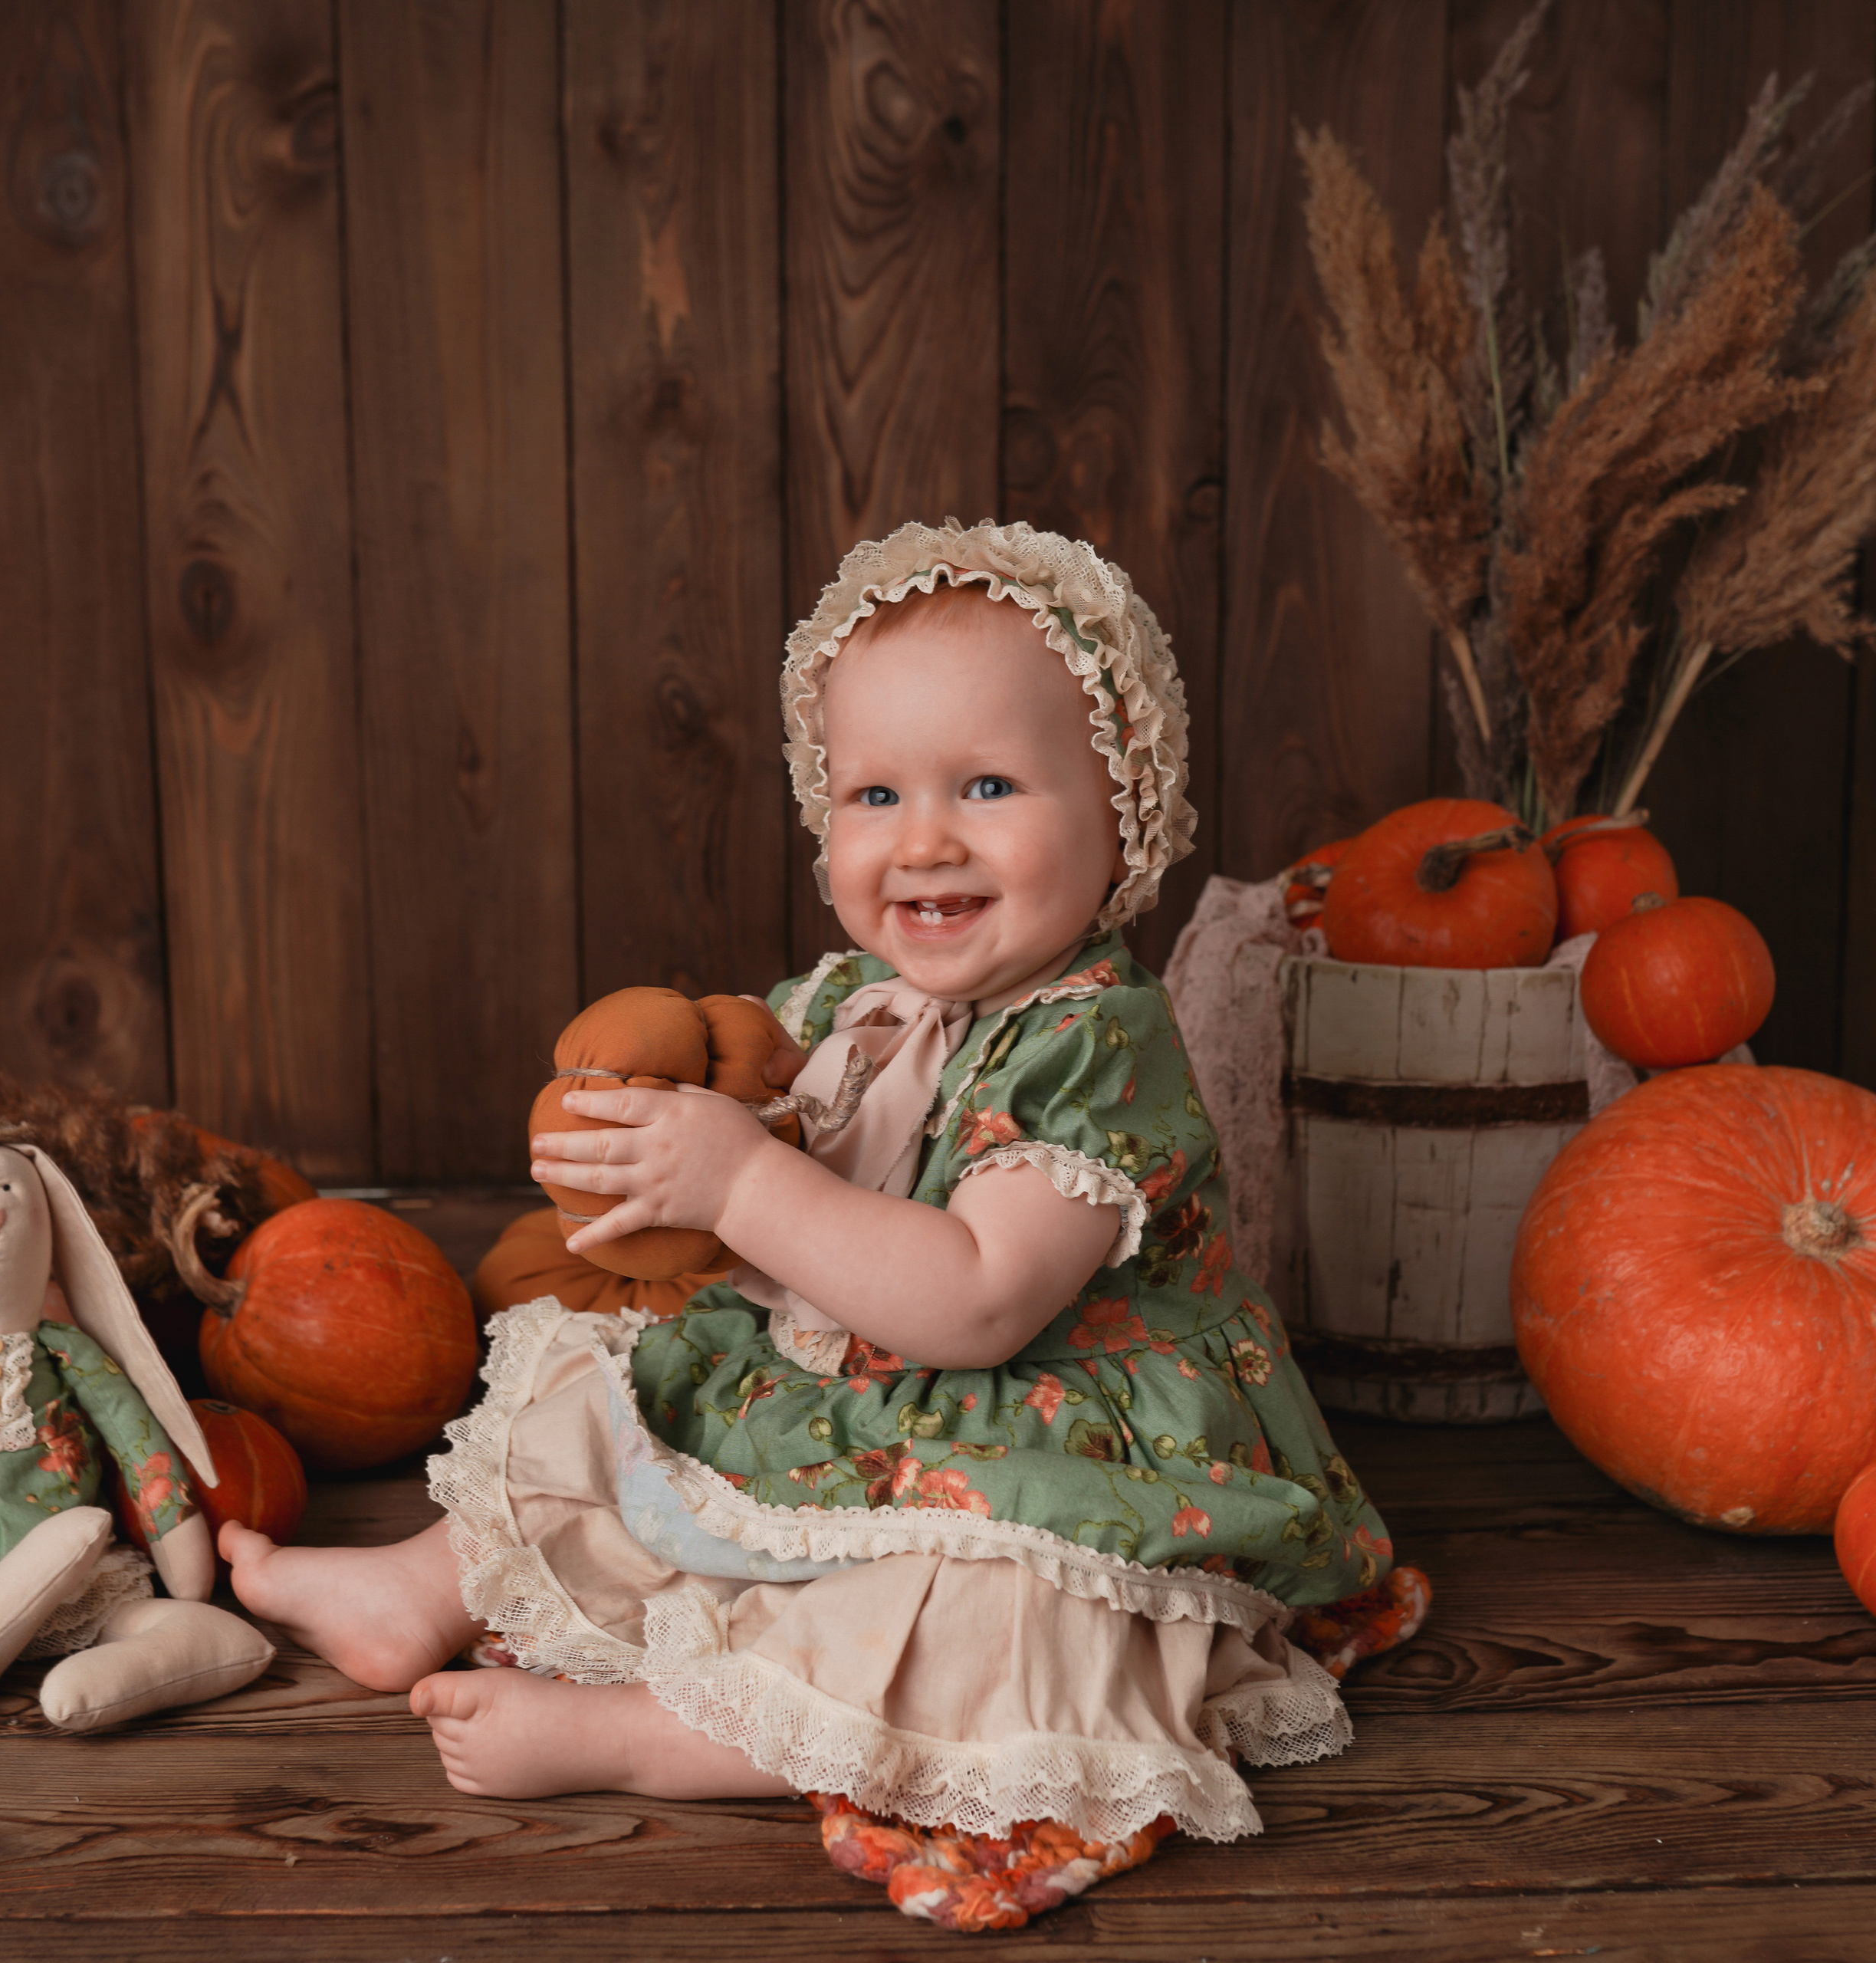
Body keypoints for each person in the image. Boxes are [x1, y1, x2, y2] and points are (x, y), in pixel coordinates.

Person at [225, 518, 1415, 1868]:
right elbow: (761, 1182)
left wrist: (738, 1176)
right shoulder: (844, 1003)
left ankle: (653, 1738)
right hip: (849, 1394)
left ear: (1121, 813)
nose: (923, 844)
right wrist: (641, 1165)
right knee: (626, 1382)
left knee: (1023, 1616)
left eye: (986, 788)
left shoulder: (1099, 1045)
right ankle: (425, 1584)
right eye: (875, 798)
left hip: (1061, 1447)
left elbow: (975, 1304)